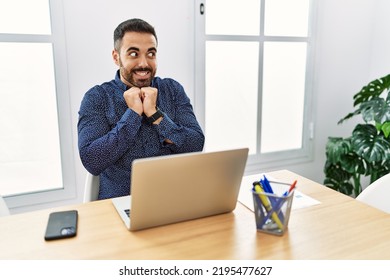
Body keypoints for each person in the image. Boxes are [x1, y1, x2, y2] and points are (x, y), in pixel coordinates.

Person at [78, 18, 205, 199]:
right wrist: (133, 114)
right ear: (116, 57)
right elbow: (92, 160)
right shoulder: (97, 97)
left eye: (151, 53)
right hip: (120, 203)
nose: (144, 63)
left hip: (173, 199)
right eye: (133, 54)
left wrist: (155, 115)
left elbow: (195, 144)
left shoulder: (172, 90)